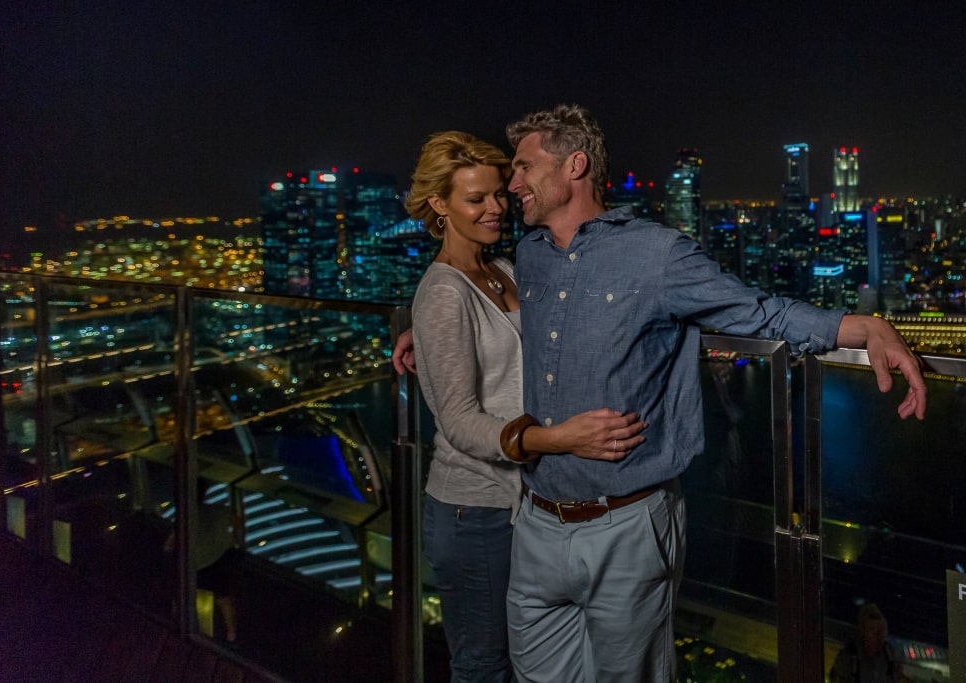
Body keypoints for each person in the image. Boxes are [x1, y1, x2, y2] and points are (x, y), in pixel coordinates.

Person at [395, 105, 926, 682]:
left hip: (623, 524)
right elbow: (464, 306)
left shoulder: (652, 255)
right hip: (535, 523)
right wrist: (426, 329)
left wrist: (860, 326)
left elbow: (755, 312)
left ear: (575, 165)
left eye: (522, 168)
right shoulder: (532, 256)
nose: (510, 187)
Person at [404, 131, 647, 683]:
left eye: (498, 194)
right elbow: (461, 425)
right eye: (476, 199)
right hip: (474, 514)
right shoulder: (444, 294)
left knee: (528, 664)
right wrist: (561, 438)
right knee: (484, 669)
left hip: (520, 507)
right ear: (439, 205)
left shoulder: (506, 270)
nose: (495, 208)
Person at [164, 478, 240, 645]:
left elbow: (170, 545)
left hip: (192, 565)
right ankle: (231, 634)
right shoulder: (219, 511)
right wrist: (233, 539)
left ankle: (176, 625)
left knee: (178, 594)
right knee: (223, 597)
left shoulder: (185, 516)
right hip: (217, 562)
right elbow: (237, 522)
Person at [829, 603, 912, 682]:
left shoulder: (889, 654)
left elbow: (898, 676)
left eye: (882, 630)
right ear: (862, 631)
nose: (879, 635)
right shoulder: (849, 657)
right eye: (872, 629)